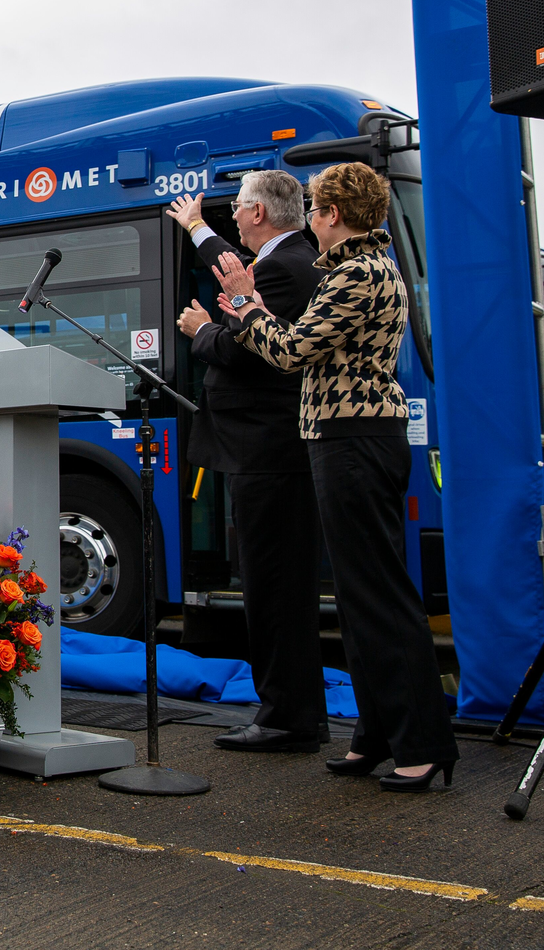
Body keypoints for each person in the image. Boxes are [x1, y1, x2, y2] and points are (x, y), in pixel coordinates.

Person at [214, 161, 457, 793]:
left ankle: (422, 743)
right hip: (345, 438)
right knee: (356, 598)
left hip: (354, 439)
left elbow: (291, 351)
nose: (311, 220)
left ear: (331, 215)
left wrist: (243, 300)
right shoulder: (361, 269)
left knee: (377, 596)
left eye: (317, 209)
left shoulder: (356, 273)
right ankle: (376, 735)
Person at [167, 172, 327, 754]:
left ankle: (287, 717)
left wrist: (202, 330)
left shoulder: (286, 269)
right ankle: (293, 710)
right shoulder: (288, 260)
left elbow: (247, 348)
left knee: (274, 589)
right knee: (277, 587)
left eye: (237, 208)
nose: (233, 216)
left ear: (258, 212)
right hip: (270, 452)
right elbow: (235, 274)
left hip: (269, 453)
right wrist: (197, 227)